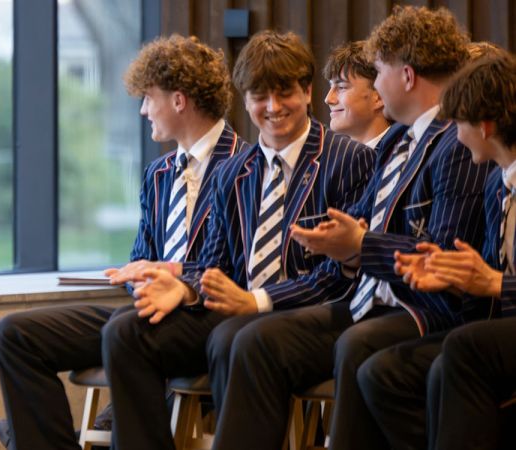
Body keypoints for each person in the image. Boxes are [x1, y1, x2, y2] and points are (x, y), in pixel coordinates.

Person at [213, 7, 491, 450]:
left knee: (355, 345)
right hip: (367, 299)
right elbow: (359, 219)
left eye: (377, 73)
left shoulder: (453, 141)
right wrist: (334, 236)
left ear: (407, 75)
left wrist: (358, 244)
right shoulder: (400, 140)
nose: (376, 88)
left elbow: (443, 254)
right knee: (253, 341)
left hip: (423, 308)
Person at [100, 30, 375, 450]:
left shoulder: (349, 159)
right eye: (259, 96)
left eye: (284, 93)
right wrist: (187, 288)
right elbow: (215, 263)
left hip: (318, 313)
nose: (272, 108)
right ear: (245, 100)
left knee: (240, 338)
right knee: (128, 332)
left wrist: (257, 302)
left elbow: (343, 276)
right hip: (239, 308)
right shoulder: (233, 171)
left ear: (306, 92)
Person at [0, 34, 247, 450]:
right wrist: (141, 277)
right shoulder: (159, 172)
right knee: (13, 334)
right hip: (149, 312)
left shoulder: (245, 166)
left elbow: (239, 270)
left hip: (207, 316)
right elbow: (140, 259)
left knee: (125, 330)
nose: (144, 109)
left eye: (149, 98)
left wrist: (176, 285)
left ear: (178, 100)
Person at [371, 54, 516, 450]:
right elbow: (486, 283)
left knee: (465, 348)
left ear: (485, 127)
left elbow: (497, 283)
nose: (453, 133)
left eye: (457, 123)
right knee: (384, 373)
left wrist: (495, 283)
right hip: (502, 331)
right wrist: (453, 278)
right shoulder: (497, 187)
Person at [323, 40, 391, 147]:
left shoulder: (404, 157)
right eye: (331, 86)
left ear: (379, 97)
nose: (328, 99)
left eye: (341, 87)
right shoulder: (332, 158)